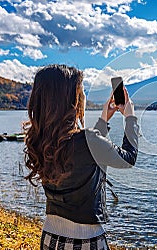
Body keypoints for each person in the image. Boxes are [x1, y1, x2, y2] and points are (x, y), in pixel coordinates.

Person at [23, 64, 139, 250]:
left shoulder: (43, 141)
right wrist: (130, 118)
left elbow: (87, 153)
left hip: (51, 236)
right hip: (86, 240)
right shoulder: (87, 141)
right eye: (82, 92)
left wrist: (103, 119)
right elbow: (128, 158)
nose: (84, 97)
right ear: (71, 99)